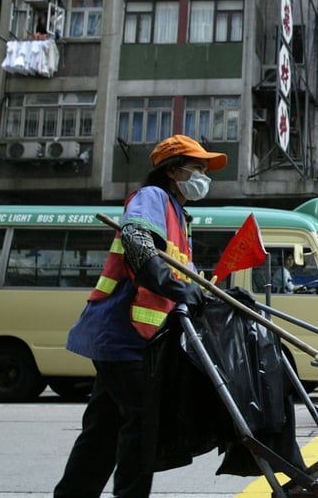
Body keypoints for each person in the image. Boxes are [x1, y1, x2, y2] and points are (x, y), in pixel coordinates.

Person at [54, 134, 227, 498]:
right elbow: (137, 242)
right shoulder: (153, 198)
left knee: (103, 430)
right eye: (197, 167)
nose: (203, 176)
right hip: (125, 335)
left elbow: (181, 275)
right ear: (172, 170)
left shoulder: (181, 216)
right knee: (141, 429)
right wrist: (178, 287)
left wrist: (200, 294)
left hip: (134, 341)